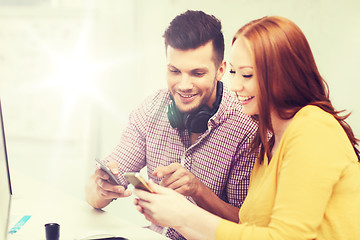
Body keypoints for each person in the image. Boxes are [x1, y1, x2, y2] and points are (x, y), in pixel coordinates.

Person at [133, 16, 360, 240]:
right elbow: (247, 230)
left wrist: (184, 215)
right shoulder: (268, 143)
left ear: (284, 75)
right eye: (233, 72)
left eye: (248, 75)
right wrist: (174, 216)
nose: (236, 86)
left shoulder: (314, 129)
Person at [85, 10, 258, 239]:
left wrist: (198, 191)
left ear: (221, 70)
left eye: (197, 73)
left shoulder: (246, 127)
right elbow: (95, 191)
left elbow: (244, 225)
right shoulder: (151, 109)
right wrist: (100, 189)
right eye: (174, 71)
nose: (183, 85)